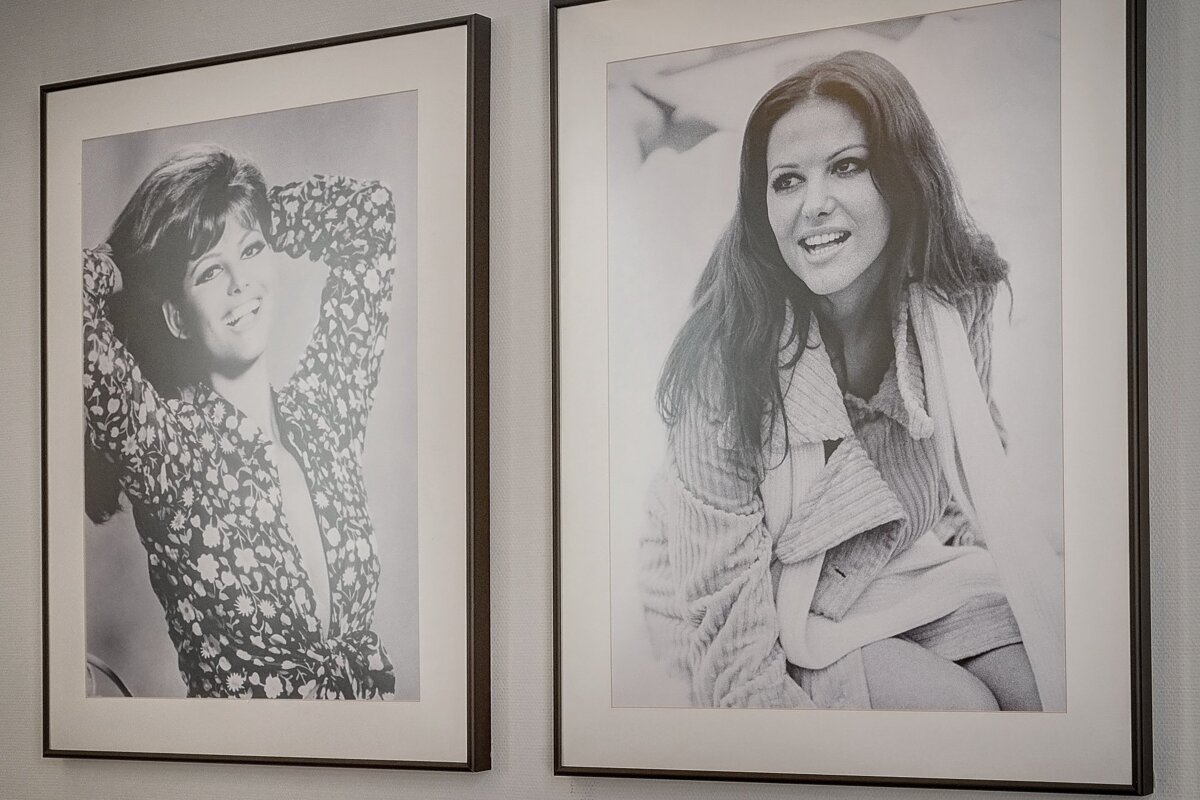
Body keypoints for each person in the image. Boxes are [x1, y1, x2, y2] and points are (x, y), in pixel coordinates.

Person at [642, 50, 1062, 711]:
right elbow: (729, 641)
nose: (814, 205)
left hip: (892, 569)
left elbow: (964, 489)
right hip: (751, 597)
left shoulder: (955, 301)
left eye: (847, 166)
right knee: (962, 710)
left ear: (900, 175)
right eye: (786, 181)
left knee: (1044, 684)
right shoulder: (722, 363)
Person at [83, 145, 398, 699]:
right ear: (176, 317)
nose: (240, 285)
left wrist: (244, 210)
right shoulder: (168, 449)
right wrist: (139, 262)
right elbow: (67, 301)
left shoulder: (325, 413)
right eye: (209, 272)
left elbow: (370, 214)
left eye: (252, 252)